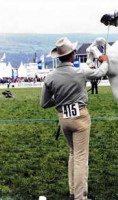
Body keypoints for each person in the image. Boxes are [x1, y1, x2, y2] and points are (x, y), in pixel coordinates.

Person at [40, 37, 108, 200]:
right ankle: (79, 197)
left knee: (73, 153)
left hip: (64, 118)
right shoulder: (80, 71)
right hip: (80, 118)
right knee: (81, 158)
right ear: (73, 55)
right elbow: (100, 72)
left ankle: (73, 191)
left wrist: (61, 101)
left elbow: (44, 103)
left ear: (58, 56)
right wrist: (105, 61)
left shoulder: (50, 77)